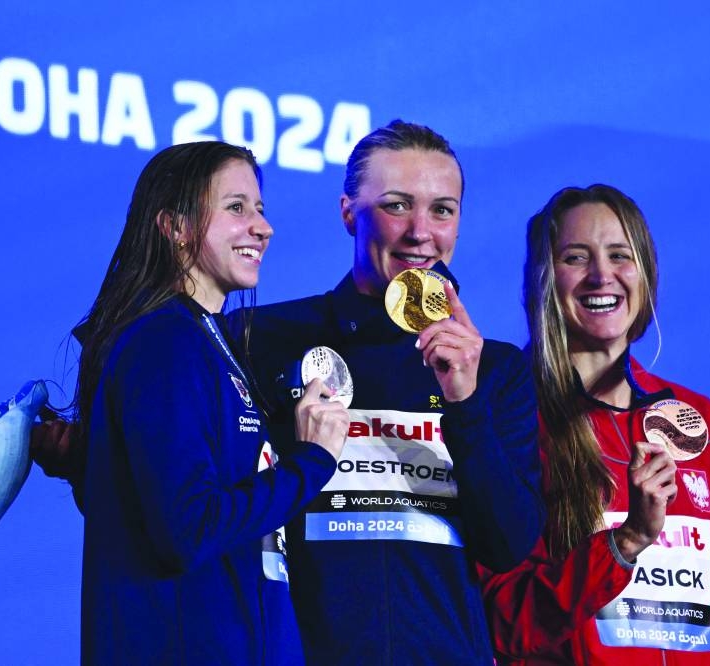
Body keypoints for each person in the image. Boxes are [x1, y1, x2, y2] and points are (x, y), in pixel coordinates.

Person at [237, 120, 545, 665]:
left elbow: (508, 546)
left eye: (442, 210)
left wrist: (465, 403)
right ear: (348, 213)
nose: (420, 232)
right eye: (397, 205)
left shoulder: (494, 369)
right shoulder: (263, 339)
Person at [72, 141, 350, 665]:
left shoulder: (208, 339)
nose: (263, 228)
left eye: (260, 210)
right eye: (236, 207)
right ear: (176, 227)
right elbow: (188, 529)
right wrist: (312, 462)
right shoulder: (165, 343)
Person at [480, 184, 710, 664]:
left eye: (620, 255)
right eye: (576, 258)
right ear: (542, 279)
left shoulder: (700, 422)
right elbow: (506, 618)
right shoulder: (511, 419)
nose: (602, 276)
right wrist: (623, 544)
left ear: (646, 272)